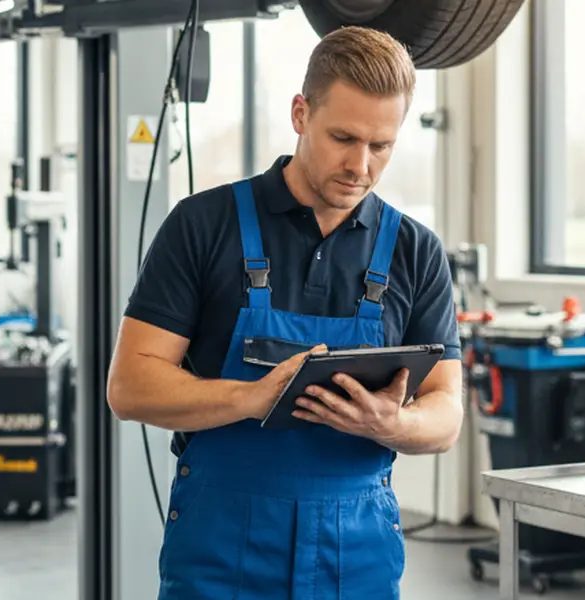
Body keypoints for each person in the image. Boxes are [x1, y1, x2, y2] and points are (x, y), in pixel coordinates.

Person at [107, 25, 464, 599]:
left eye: (381, 146)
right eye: (343, 137)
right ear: (301, 114)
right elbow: (130, 387)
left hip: (357, 556)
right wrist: (252, 398)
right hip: (221, 552)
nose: (360, 165)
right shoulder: (202, 225)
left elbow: (446, 413)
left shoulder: (415, 251)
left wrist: (393, 424)